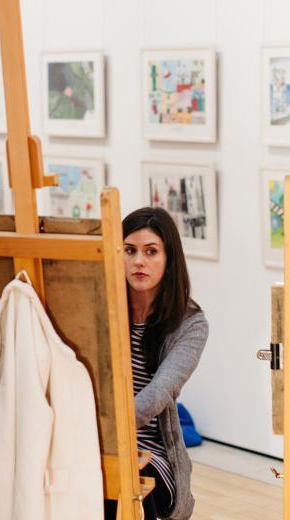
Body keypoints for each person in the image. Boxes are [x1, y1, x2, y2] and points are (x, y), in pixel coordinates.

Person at [104, 207, 209, 520]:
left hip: (151, 449)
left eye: (151, 252)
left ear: (169, 259)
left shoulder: (191, 324)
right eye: (130, 250)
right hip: (95, 441)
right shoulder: (101, 307)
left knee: (132, 481)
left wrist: (107, 430)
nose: (139, 261)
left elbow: (160, 392)